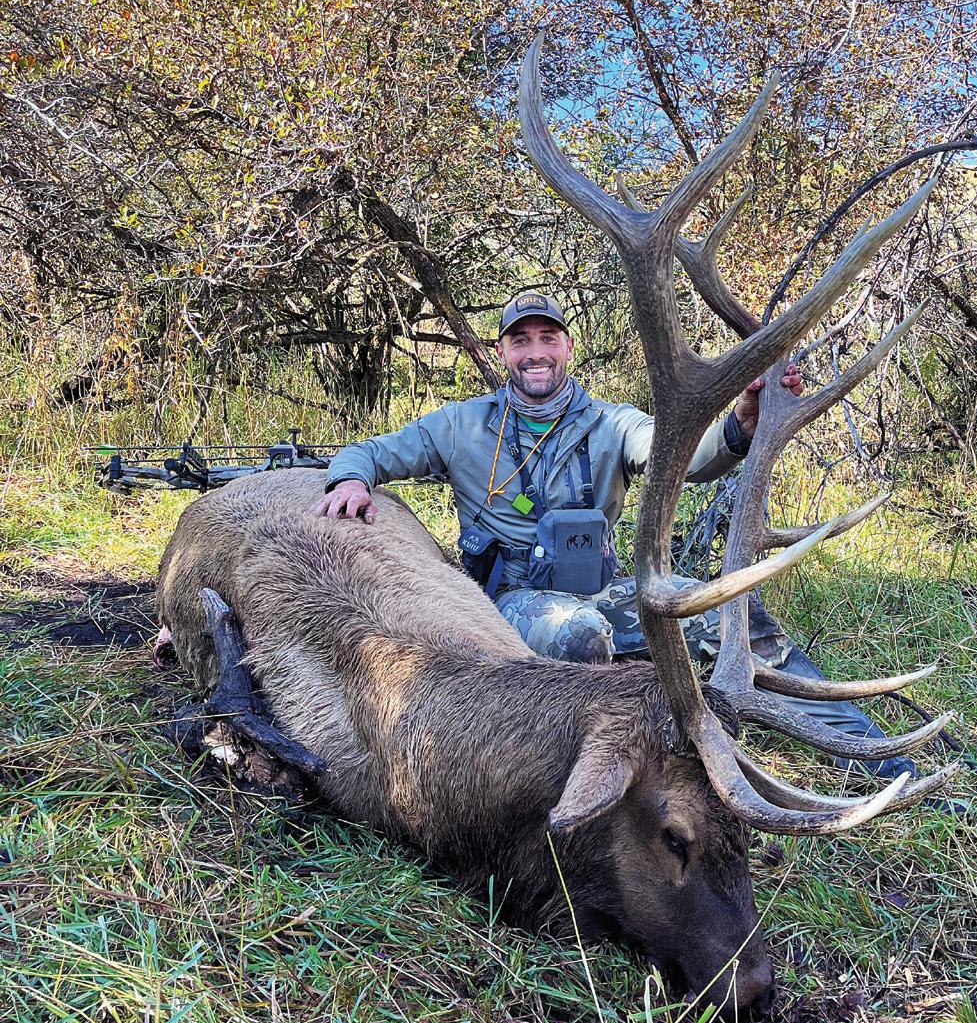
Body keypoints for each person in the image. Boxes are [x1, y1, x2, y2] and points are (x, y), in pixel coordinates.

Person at [313, 291, 910, 770]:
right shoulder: (461, 425)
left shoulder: (610, 422)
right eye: (521, 341)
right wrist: (350, 480)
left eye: (548, 338)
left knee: (735, 614)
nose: (536, 353)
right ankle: (612, 774)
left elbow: (681, 454)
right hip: (507, 602)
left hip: (600, 589)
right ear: (502, 353)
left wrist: (738, 428)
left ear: (568, 347)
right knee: (581, 637)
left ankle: (869, 753)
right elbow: (371, 452)